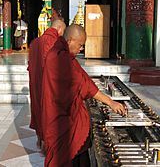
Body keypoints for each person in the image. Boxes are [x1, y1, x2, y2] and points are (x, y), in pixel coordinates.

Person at [41, 24, 127, 167]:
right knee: (66, 157)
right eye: (80, 45)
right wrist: (111, 103)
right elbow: (83, 86)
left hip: (62, 116)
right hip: (61, 120)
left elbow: (83, 79)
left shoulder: (63, 55)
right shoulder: (59, 58)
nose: (81, 49)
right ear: (69, 41)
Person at [28, 19, 66, 152]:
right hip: (48, 84)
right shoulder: (55, 42)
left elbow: (30, 65)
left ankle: (39, 138)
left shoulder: (34, 43)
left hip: (35, 83)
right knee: (49, 111)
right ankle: (48, 146)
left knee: (38, 108)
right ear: (59, 29)